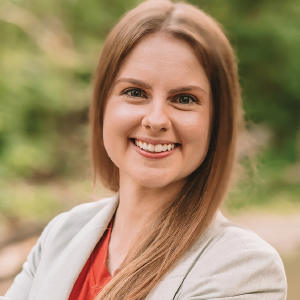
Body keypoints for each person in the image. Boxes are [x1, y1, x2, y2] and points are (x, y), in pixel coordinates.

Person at [1, 1, 287, 300]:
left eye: (185, 99)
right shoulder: (62, 234)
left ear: (217, 122)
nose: (155, 120)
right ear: (102, 107)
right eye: (135, 93)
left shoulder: (244, 269)